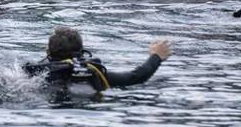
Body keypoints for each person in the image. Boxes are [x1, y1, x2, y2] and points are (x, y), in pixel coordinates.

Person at [24, 27, 171, 92]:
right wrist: (156, 56)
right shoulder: (96, 73)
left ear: (48, 52)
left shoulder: (37, 73)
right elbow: (137, 76)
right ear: (82, 52)